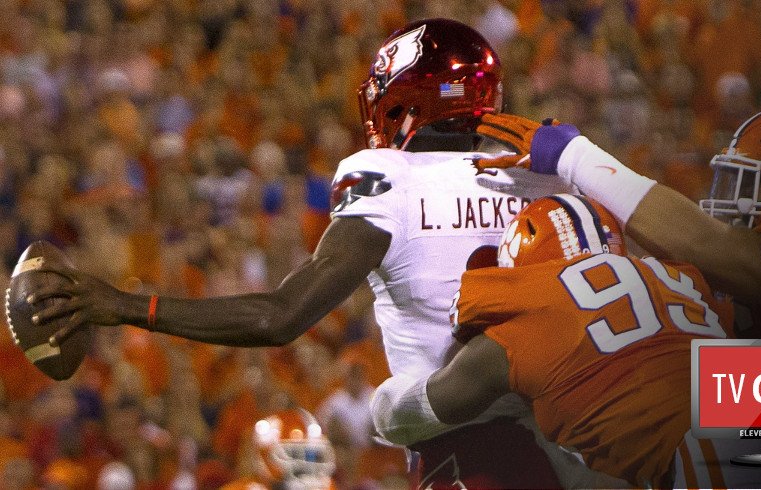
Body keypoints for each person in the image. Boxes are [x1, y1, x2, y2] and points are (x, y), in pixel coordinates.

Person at [27, 18, 605, 488]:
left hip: (471, 452)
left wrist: (127, 307)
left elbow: (279, 318)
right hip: (582, 444)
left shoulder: (389, 176)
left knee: (388, 410)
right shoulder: (546, 176)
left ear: (411, 101)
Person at [472, 105, 761, 489]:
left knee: (650, 388)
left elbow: (747, 265)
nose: (732, 204)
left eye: (749, 185)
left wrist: (581, 161)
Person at [371, 193, 731, 488]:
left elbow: (418, 412)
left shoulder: (536, 307)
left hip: (707, 452)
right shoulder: (675, 275)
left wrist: (385, 402)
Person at [222, 408, 336, 489]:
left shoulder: (325, 486)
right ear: (267, 456)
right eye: (294, 454)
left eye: (310, 454)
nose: (304, 463)